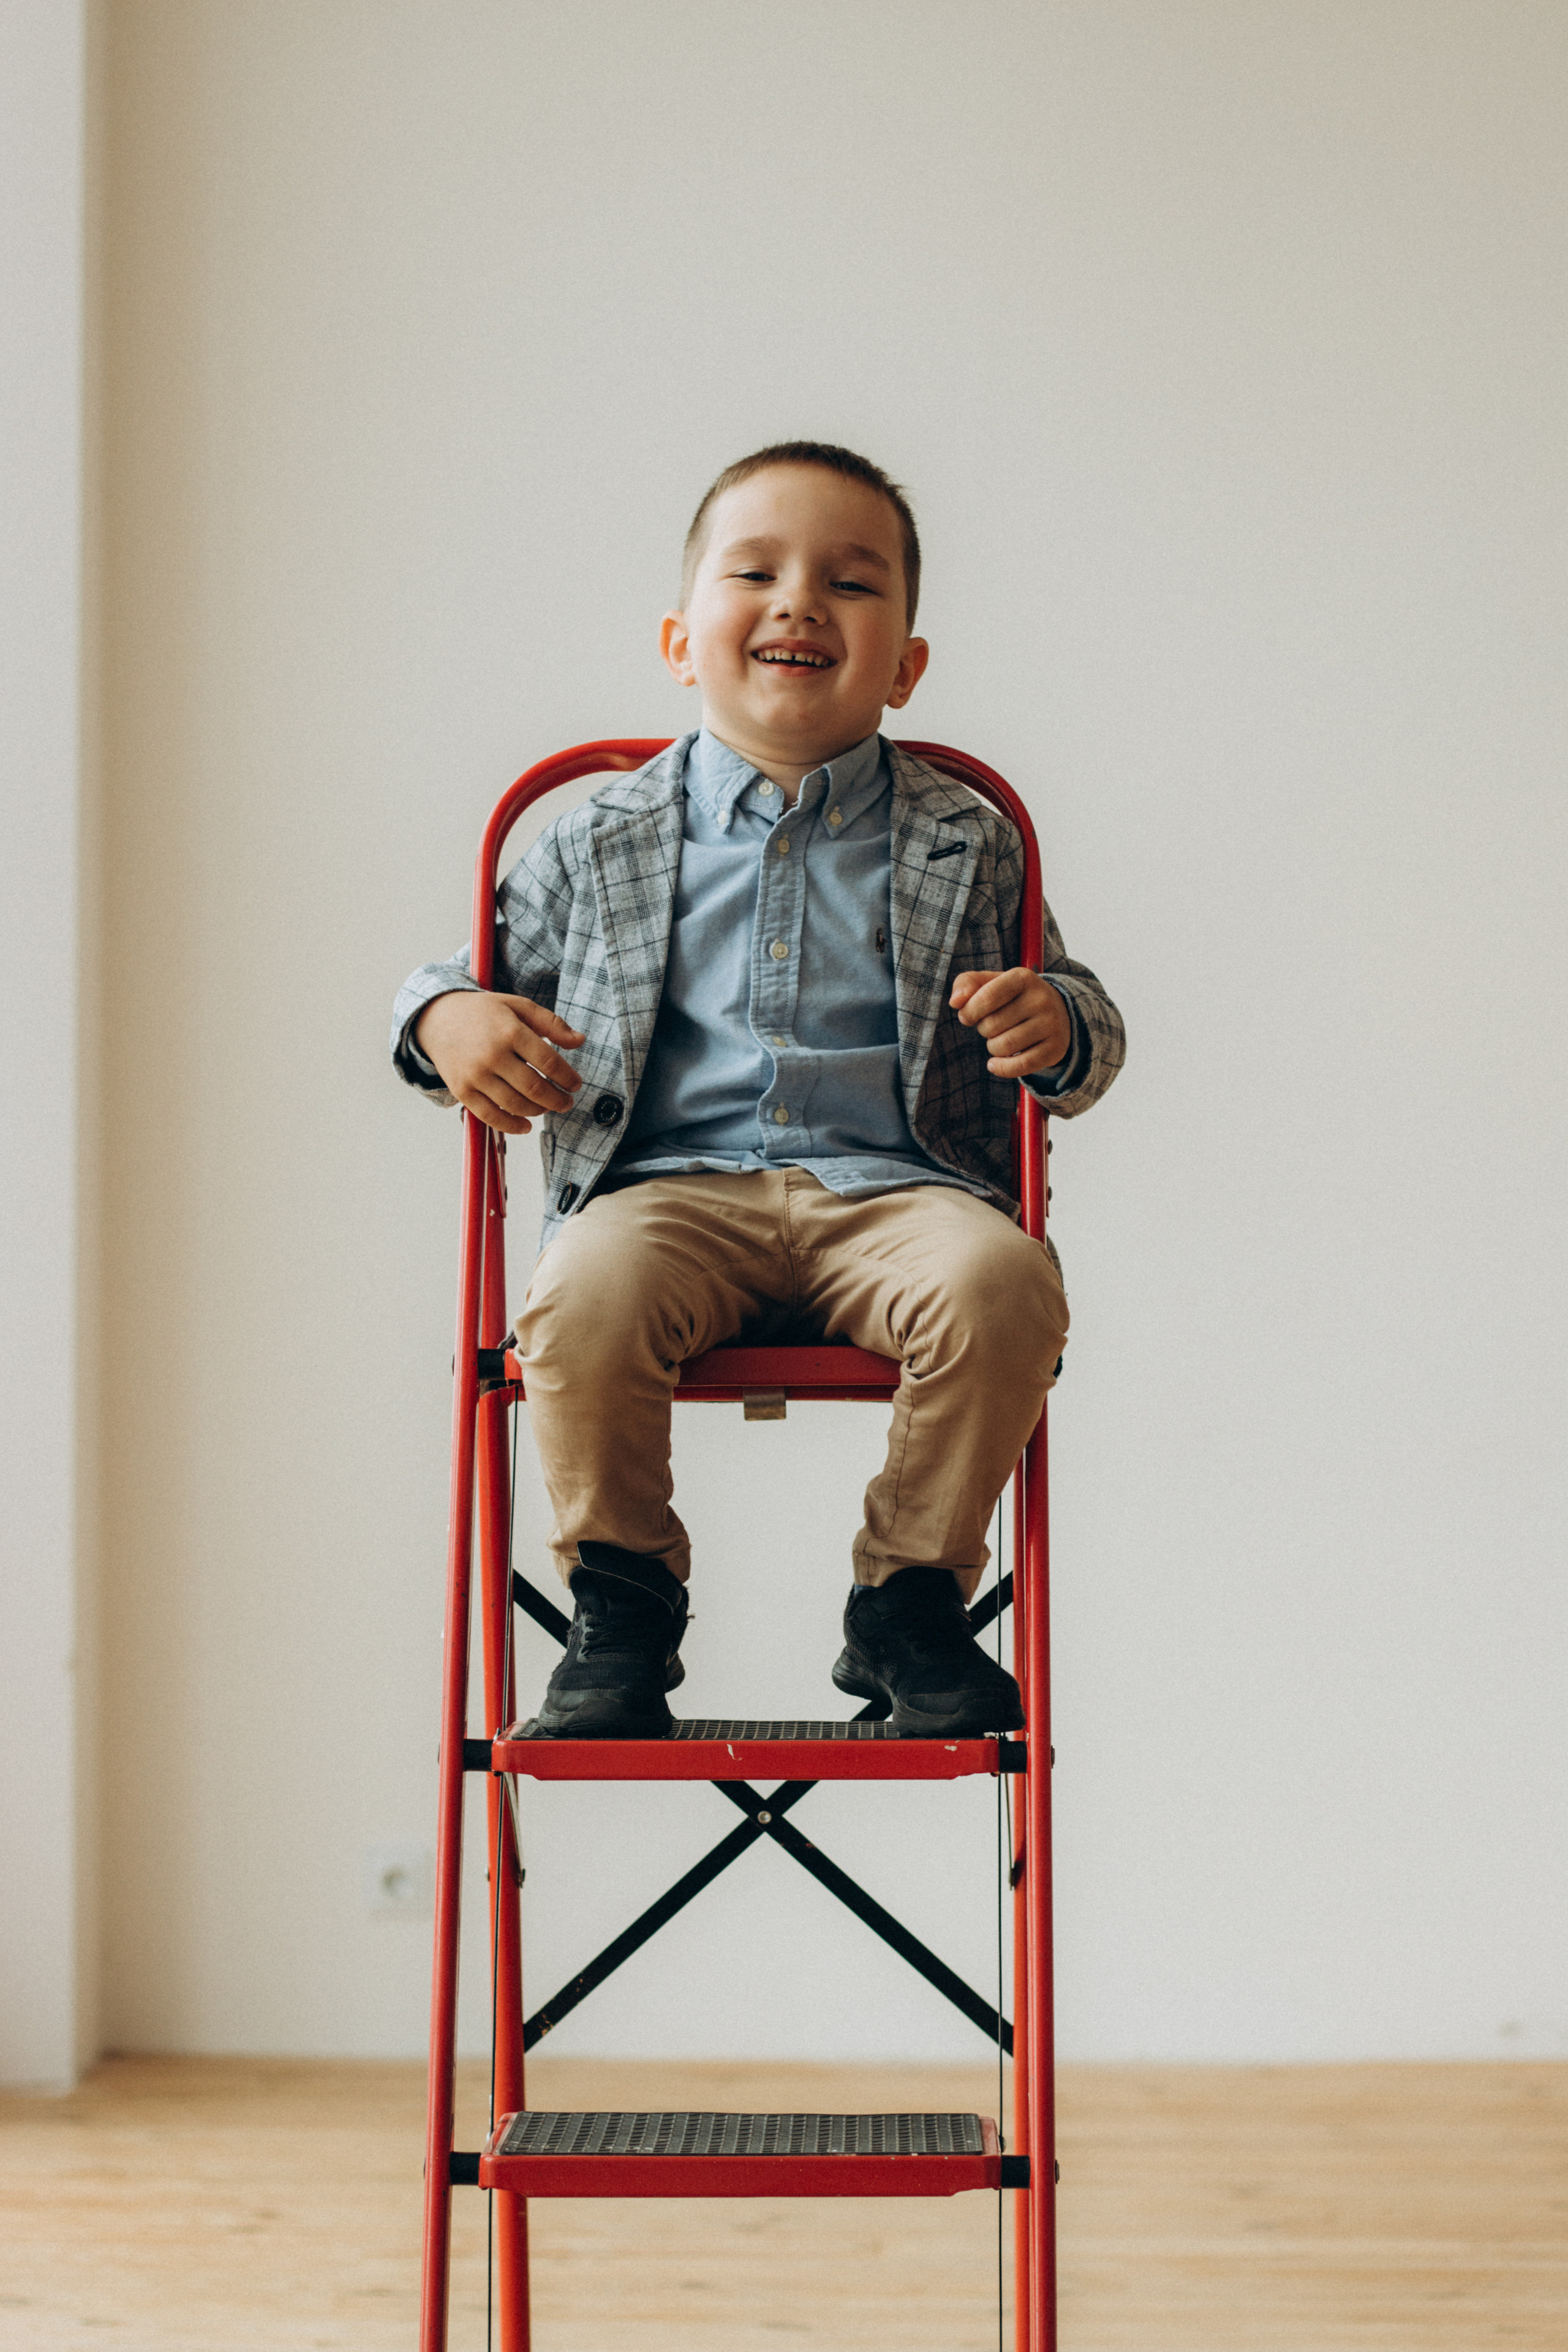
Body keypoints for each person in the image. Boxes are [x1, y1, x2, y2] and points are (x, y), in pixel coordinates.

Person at [391, 442, 1123, 1740]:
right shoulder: (593, 833)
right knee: (580, 1290)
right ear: (682, 639)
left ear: (903, 664)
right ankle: (620, 1603)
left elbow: (1082, 1026)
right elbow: (451, 983)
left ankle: (906, 1598)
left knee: (1003, 1281)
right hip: (668, 1192)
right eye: (756, 571)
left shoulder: (966, 833)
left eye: (849, 582)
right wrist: (449, 1019)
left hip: (893, 1194)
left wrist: (1050, 1020)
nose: (799, 602)